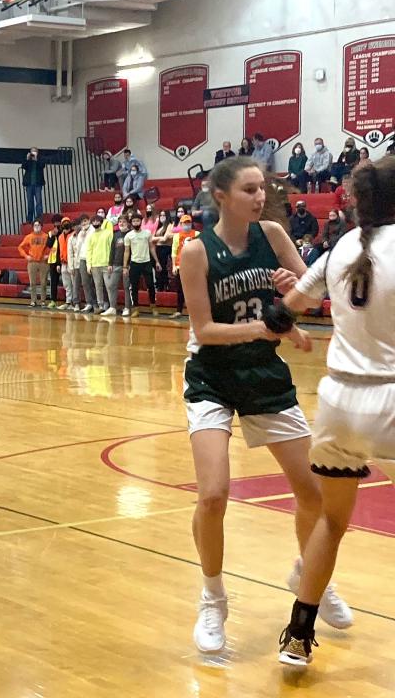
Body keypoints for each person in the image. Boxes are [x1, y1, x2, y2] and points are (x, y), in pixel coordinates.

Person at [179, 156, 351, 654]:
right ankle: (213, 598)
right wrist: (269, 325)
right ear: (221, 197)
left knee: (314, 495)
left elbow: (314, 295)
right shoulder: (196, 251)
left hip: (263, 375)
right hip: (213, 376)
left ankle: (310, 574)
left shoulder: (273, 233)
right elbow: (205, 331)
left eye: (263, 189)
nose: (260, 196)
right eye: (250, 189)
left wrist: (290, 296)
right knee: (213, 494)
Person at [275, 157, 395, 667]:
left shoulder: (338, 249)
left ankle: (298, 636)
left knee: (331, 521)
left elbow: (281, 315)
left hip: (339, 403)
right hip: (391, 399)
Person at [125, 211, 161, 316]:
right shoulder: (128, 236)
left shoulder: (147, 233)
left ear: (141, 221)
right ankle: (135, 308)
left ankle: (153, 307)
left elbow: (151, 248)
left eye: (137, 221)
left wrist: (157, 261)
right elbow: (127, 251)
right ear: (131, 223)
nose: (136, 223)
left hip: (146, 263)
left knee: (150, 285)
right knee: (134, 286)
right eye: (134, 221)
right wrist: (125, 266)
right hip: (134, 263)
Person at [103, 216, 131, 317]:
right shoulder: (116, 235)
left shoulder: (131, 234)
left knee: (126, 287)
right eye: (119, 222)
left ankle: (127, 308)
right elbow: (112, 250)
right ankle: (112, 307)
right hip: (115, 264)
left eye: (124, 221)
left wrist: (129, 265)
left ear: (128, 223)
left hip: (127, 266)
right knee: (111, 286)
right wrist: (110, 263)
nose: (121, 223)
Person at [170, 215, 199, 317]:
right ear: (181, 224)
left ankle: (195, 312)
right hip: (180, 266)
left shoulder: (197, 234)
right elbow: (174, 252)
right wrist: (173, 265)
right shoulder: (177, 236)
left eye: (188, 223)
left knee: (194, 290)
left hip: (193, 266)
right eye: (184, 223)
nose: (187, 225)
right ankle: (179, 310)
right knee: (180, 290)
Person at [86, 211, 113, 313]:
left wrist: (110, 263)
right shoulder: (91, 236)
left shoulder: (108, 233)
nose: (96, 223)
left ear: (101, 222)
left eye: (98, 221)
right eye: (94, 221)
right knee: (98, 286)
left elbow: (111, 249)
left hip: (106, 264)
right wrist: (89, 265)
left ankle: (111, 305)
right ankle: (100, 305)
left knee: (109, 286)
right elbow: (89, 251)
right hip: (95, 265)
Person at [18, 219, 49, 307]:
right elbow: (20, 247)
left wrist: (49, 255)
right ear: (32, 227)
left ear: (41, 226)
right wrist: (26, 256)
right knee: (32, 283)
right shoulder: (29, 237)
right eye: (35, 225)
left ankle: (43, 301)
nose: (37, 227)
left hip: (43, 262)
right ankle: (33, 300)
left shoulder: (46, 236)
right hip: (32, 262)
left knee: (43, 282)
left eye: (38, 225)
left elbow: (54, 247)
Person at [70, 214, 96, 312]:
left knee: (96, 283)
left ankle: (98, 303)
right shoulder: (80, 233)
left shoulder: (93, 230)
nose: (84, 223)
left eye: (85, 221)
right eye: (82, 222)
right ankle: (89, 302)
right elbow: (78, 247)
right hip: (82, 259)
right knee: (85, 282)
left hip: (93, 259)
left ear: (89, 221)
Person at [21, 147, 46, 223]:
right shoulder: (29, 160)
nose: (33, 153)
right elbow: (23, 166)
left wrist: (36, 159)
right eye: (32, 151)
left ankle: (39, 219)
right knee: (30, 202)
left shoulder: (40, 159)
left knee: (38, 202)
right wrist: (27, 158)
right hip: (29, 184)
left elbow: (42, 165)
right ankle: (29, 219)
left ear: (38, 152)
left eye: (35, 151)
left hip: (38, 184)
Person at [153, 210, 174, 291]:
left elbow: (165, 239)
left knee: (164, 268)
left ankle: (166, 286)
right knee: (159, 269)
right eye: (161, 215)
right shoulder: (158, 226)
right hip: (158, 249)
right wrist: (158, 239)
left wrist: (155, 239)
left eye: (164, 215)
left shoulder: (170, 225)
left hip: (166, 248)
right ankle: (160, 286)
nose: (162, 217)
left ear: (167, 216)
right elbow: (151, 237)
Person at [45, 224, 63, 307]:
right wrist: (52, 236)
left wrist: (59, 263)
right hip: (52, 260)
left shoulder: (62, 234)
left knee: (67, 282)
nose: (56, 228)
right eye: (55, 226)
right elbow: (48, 245)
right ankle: (53, 300)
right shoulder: (50, 233)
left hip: (61, 260)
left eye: (58, 226)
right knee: (53, 281)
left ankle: (70, 301)